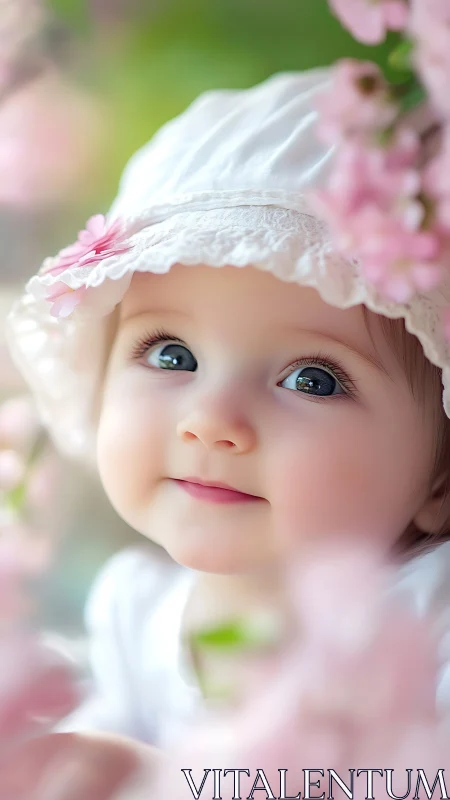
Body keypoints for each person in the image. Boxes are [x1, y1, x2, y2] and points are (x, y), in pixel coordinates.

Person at [5, 67, 450, 797]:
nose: (211, 419)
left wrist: (155, 780)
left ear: (442, 477)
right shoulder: (136, 614)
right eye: (171, 354)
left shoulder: (423, 625)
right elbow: (117, 727)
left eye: (313, 379)